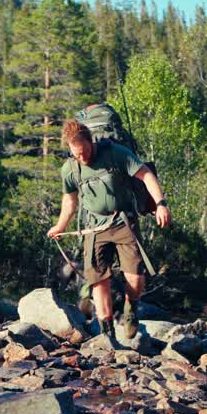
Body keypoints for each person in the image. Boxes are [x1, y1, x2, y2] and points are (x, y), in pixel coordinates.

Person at [47, 118, 170, 339]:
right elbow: (70, 201)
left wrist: (161, 204)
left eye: (85, 151)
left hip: (123, 222)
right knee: (98, 280)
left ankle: (131, 310)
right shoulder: (69, 169)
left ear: (91, 141)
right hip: (94, 229)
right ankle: (107, 333)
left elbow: (146, 175)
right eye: (77, 154)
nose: (82, 157)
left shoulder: (116, 154)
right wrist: (60, 226)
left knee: (135, 277)